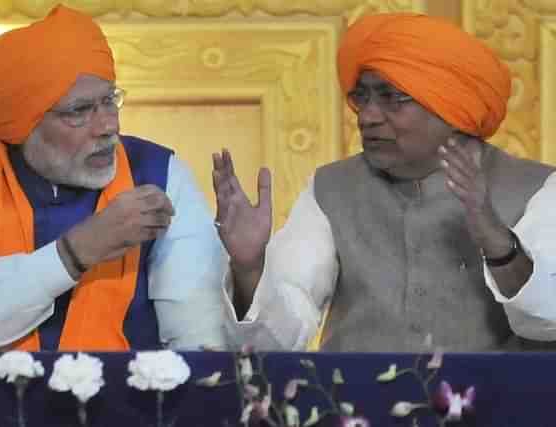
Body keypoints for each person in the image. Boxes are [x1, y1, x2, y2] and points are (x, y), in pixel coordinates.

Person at [213, 12, 556, 352]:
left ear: (452, 108)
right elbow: (279, 337)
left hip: (493, 403)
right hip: (350, 402)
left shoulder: (536, 188)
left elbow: (547, 321)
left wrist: (496, 239)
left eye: (391, 98)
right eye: (362, 98)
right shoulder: (332, 188)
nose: (367, 116)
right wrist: (249, 268)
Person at [0, 5, 227, 351]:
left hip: (136, 402)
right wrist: (74, 252)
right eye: (79, 111)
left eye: (109, 100)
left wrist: (248, 269)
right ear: (23, 125)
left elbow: (200, 342)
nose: (109, 126)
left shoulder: (159, 174)